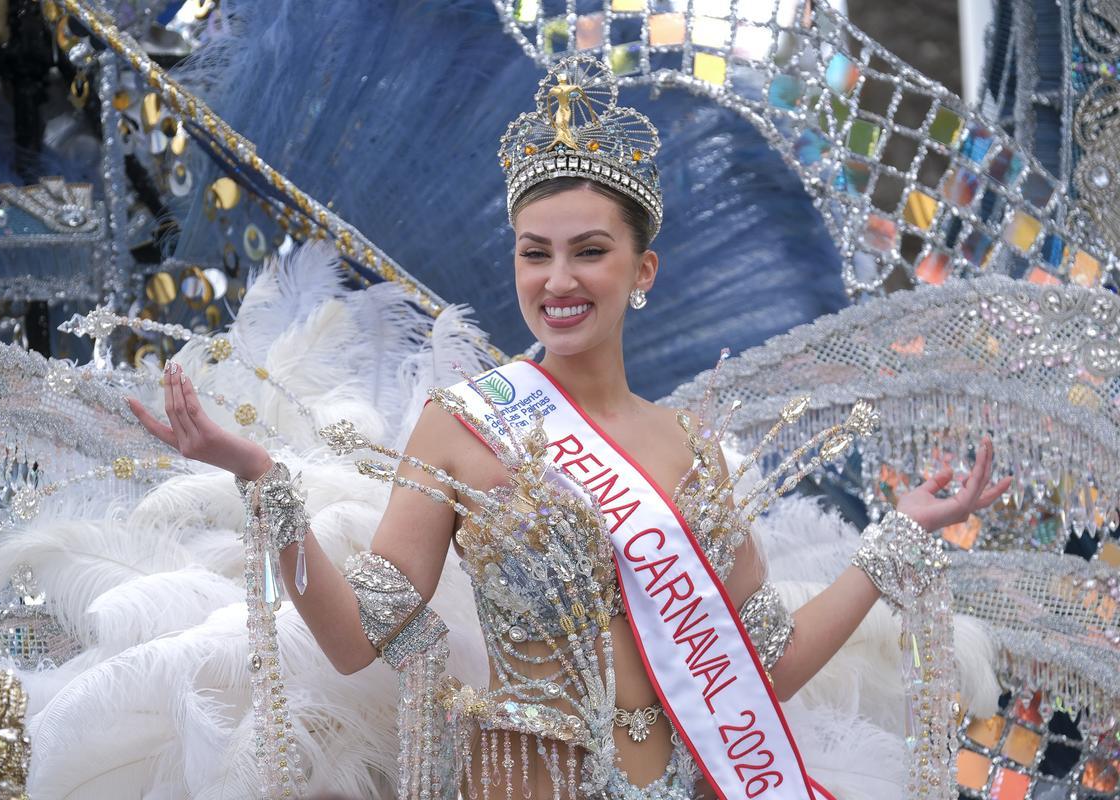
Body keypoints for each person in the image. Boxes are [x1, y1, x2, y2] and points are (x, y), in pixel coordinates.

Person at [128, 56, 1011, 800]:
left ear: (642, 269)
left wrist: (892, 546)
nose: (559, 278)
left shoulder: (692, 451)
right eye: (534, 251)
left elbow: (762, 667)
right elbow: (354, 638)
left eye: (589, 250)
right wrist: (261, 480)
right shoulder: (462, 426)